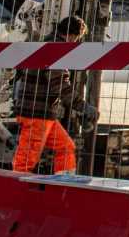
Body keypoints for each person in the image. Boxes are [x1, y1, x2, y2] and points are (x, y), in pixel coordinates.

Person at [11, 16, 87, 174]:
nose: (75, 43)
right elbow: (60, 86)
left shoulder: (45, 44)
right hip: (37, 114)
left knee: (66, 147)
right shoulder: (55, 50)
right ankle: (17, 187)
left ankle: (64, 183)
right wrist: (83, 107)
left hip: (41, 112)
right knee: (25, 162)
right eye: (77, 39)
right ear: (72, 35)